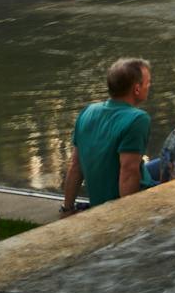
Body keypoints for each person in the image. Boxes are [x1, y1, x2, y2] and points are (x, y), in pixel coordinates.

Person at [59, 58, 154, 215]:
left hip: (99, 200)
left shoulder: (87, 112)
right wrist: (129, 218)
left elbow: (76, 166)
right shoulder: (137, 119)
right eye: (148, 82)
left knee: (161, 163)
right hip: (128, 200)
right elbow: (129, 172)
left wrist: (67, 208)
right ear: (137, 89)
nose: (149, 86)